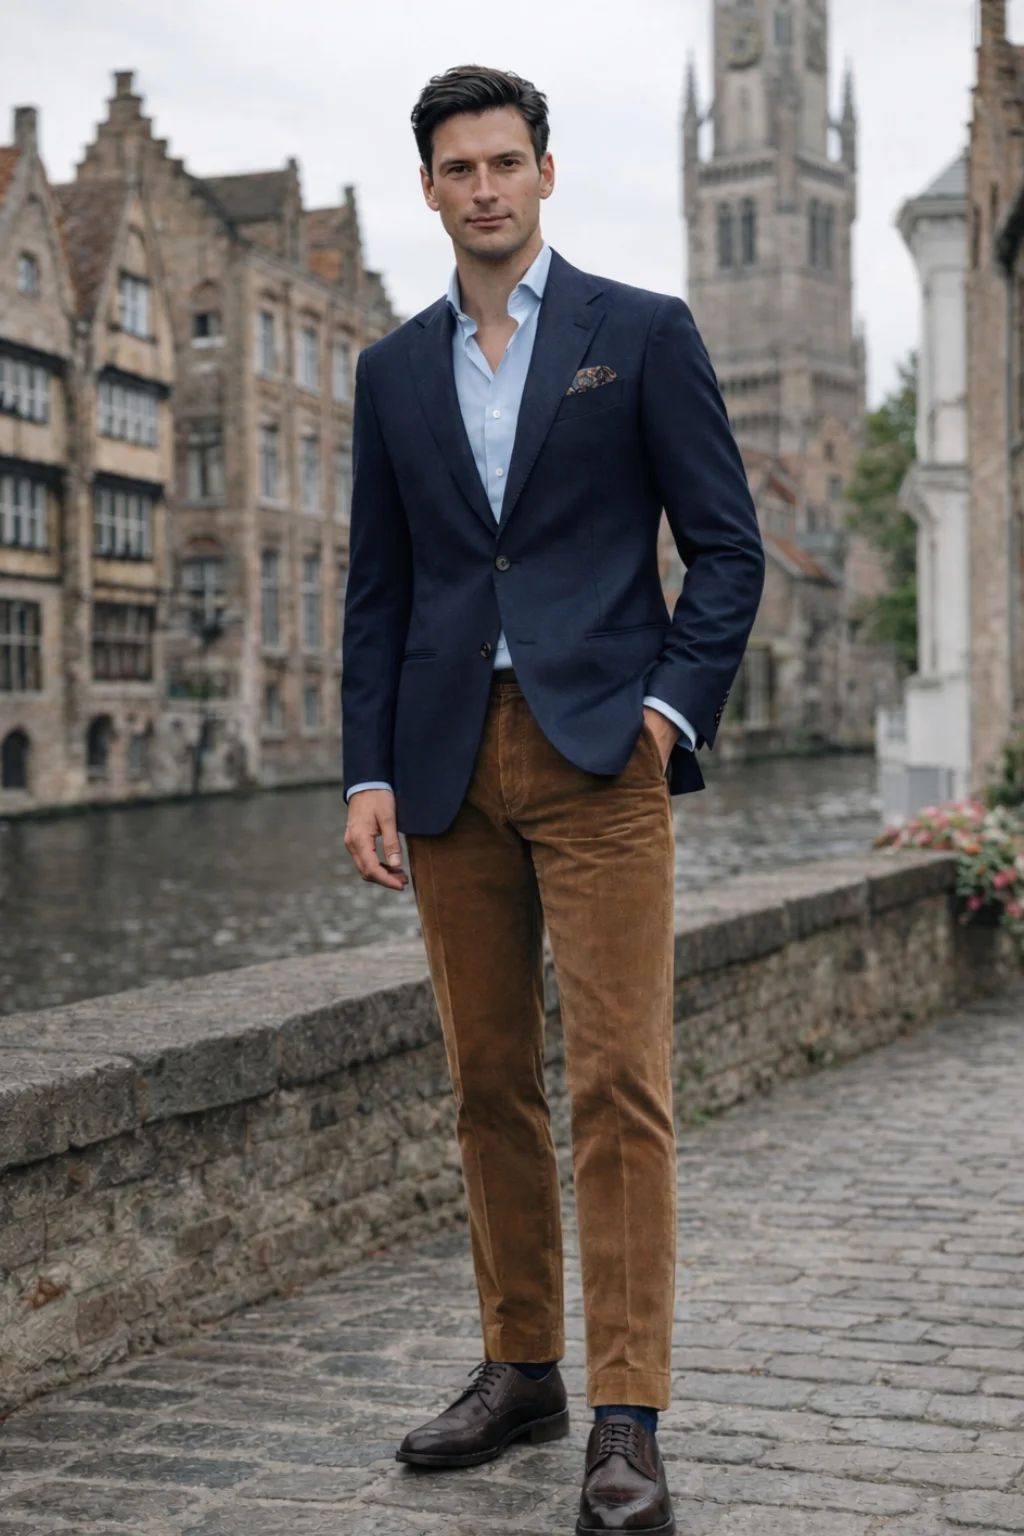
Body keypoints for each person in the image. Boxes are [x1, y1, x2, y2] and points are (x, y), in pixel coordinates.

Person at [341, 64, 765, 1536]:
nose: (485, 188)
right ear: (430, 188)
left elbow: (727, 552)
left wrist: (665, 714)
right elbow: (378, 586)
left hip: (602, 763)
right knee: (485, 1084)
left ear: (546, 172)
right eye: (458, 168)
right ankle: (522, 1366)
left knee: (618, 1087)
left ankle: (628, 1420)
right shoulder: (393, 372)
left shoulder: (639, 335)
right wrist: (370, 769)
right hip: (449, 763)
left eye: (506, 162)